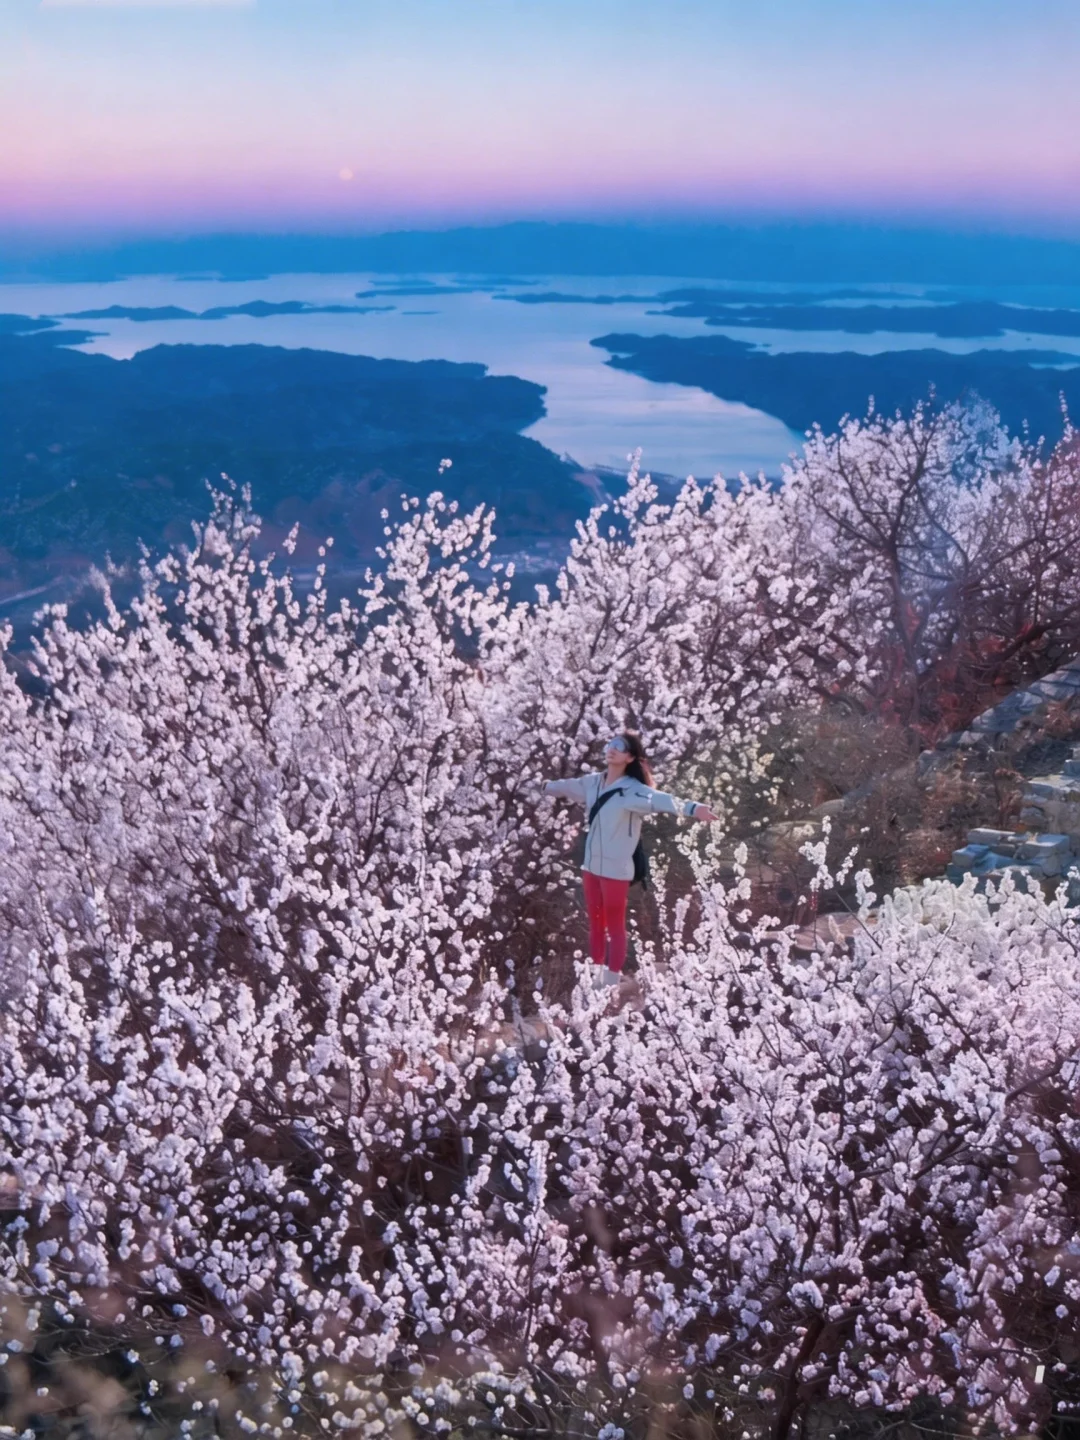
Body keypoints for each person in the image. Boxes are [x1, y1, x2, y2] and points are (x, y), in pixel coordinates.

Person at [543, 732, 718, 986]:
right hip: (592, 865)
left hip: (616, 868)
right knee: (595, 922)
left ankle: (612, 978)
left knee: (614, 924)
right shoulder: (593, 782)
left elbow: (664, 801)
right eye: (610, 745)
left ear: (630, 757)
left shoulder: (633, 791)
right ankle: (596, 975)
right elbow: (569, 786)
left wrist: (694, 809)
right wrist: (544, 786)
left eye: (619, 747)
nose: (611, 750)